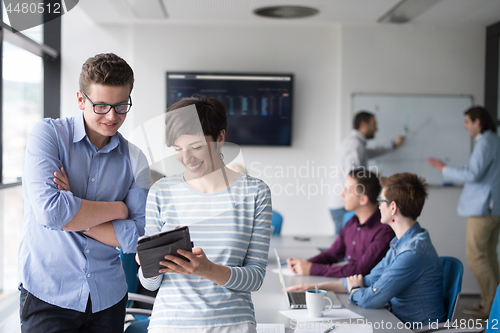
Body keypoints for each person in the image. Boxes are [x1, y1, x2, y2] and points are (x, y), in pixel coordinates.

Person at [18, 53, 151, 333]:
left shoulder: (136, 158)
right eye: (101, 105)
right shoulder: (48, 135)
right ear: (81, 100)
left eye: (120, 105)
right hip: (48, 293)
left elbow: (138, 235)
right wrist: (118, 209)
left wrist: (74, 212)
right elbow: (51, 213)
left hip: (108, 298)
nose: (112, 116)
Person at [137, 95, 272, 332]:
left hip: (232, 325)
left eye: (196, 147)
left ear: (220, 138)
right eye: (178, 149)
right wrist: (147, 265)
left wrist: (207, 270)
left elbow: (255, 278)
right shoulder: (162, 191)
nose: (186, 158)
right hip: (170, 324)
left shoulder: (255, 193)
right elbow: (150, 285)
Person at [289, 173, 446, 325]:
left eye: (381, 201)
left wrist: (355, 289)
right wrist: (315, 288)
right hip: (396, 321)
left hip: (413, 329)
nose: (378, 205)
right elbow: (369, 279)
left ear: (392, 207)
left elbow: (371, 298)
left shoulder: (411, 252)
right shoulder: (401, 242)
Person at [428, 106, 500, 320]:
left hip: (483, 209)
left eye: (467, 121)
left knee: (476, 257)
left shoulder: (486, 142)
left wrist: (443, 168)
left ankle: (491, 305)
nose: (465, 126)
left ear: (478, 122)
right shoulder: (494, 140)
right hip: (493, 208)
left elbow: (473, 174)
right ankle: (493, 303)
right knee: (488, 256)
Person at [286, 168, 394, 277]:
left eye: (347, 191)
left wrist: (311, 269)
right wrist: (304, 264)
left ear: (363, 200)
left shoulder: (384, 231)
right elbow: (333, 254)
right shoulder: (352, 222)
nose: (341, 194)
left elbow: (358, 270)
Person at [329, 111, 405, 234]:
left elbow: (372, 152)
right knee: (344, 248)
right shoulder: (354, 145)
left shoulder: (356, 143)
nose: (376, 128)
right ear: (364, 125)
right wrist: (372, 178)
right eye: (374, 124)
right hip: (345, 205)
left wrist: (393, 145)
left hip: (344, 203)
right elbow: (352, 176)